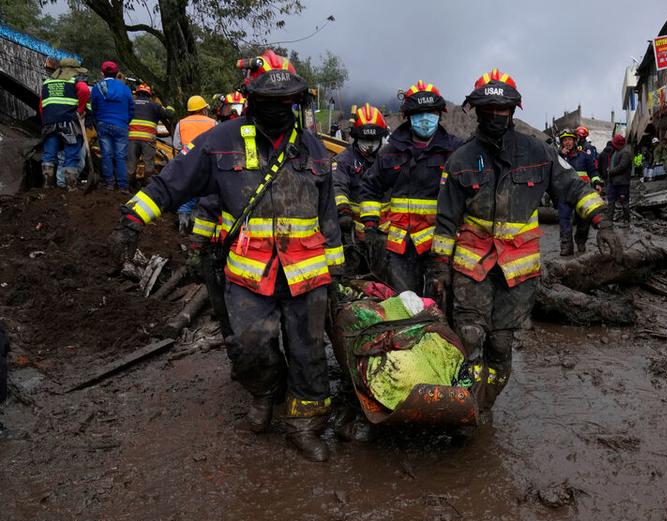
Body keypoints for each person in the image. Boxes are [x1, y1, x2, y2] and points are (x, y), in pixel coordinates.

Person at [108, 50, 344, 462]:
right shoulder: (220, 141)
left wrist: (337, 266)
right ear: (250, 99)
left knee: (309, 353)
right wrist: (133, 217)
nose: (277, 109)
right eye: (267, 101)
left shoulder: (313, 148)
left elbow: (327, 213)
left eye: (284, 101)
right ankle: (266, 392)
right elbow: (171, 183)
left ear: (296, 102)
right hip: (249, 274)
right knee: (250, 346)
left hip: (307, 274)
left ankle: (305, 426)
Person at [429, 68, 623, 416]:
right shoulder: (459, 161)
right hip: (472, 267)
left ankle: (483, 404)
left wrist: (603, 223)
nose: (496, 117)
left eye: (503, 110)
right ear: (477, 111)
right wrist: (439, 269)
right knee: (470, 335)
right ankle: (465, 408)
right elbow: (445, 221)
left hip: (516, 273)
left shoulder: (538, 152)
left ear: (513, 111)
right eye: (489, 111)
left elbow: (574, 186)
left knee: (501, 345)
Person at [359, 80, 462, 294]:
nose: (425, 119)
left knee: (439, 300)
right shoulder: (390, 151)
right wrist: (370, 225)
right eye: (418, 113)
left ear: (439, 114)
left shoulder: (454, 151)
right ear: (408, 116)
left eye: (431, 113)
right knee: (403, 301)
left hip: (439, 243)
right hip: (399, 244)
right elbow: (370, 187)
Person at [332, 103, 389, 276]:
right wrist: (343, 212)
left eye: (374, 141)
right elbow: (337, 186)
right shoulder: (343, 161)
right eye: (365, 141)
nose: (370, 146)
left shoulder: (391, 160)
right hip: (353, 232)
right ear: (356, 138)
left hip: (386, 233)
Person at [39, 57, 90, 190]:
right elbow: (84, 91)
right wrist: (80, 110)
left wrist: (46, 119)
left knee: (49, 154)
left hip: (49, 123)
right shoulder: (75, 81)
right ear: (73, 70)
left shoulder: (47, 82)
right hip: (69, 123)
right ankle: (71, 187)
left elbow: (41, 105)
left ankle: (47, 185)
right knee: (71, 154)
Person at [172, 96, 218, 232]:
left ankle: (182, 224)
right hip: (207, 162)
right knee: (204, 194)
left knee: (187, 192)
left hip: (187, 161)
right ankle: (197, 227)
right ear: (203, 109)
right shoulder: (213, 123)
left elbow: (176, 145)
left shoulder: (181, 123)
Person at [90, 61, 134, 191]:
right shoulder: (125, 89)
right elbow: (131, 108)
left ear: (103, 73)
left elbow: (94, 107)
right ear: (117, 73)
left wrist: (98, 120)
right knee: (121, 156)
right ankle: (123, 186)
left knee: (106, 154)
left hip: (103, 124)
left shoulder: (98, 88)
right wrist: (125, 121)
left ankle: (109, 184)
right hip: (121, 125)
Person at [557, 128, 601, 256]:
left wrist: (597, 182)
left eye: (570, 139)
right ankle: (566, 247)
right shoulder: (558, 157)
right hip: (564, 193)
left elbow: (593, 171)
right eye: (564, 140)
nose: (567, 142)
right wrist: (560, 155)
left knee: (583, 220)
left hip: (581, 194)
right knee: (564, 219)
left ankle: (580, 241)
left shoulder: (584, 156)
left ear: (575, 141)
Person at [127, 83, 174, 186]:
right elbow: (169, 114)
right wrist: (170, 106)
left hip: (132, 138)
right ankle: (147, 186)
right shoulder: (154, 105)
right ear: (149, 95)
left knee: (130, 163)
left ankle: (127, 186)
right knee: (149, 164)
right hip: (147, 139)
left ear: (137, 93)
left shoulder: (131, 103)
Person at [606, 134, 633, 226]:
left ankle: (627, 221)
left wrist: (610, 171)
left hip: (622, 183)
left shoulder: (625, 152)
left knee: (624, 202)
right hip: (613, 182)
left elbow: (622, 166)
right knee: (611, 201)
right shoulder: (616, 152)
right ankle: (609, 220)